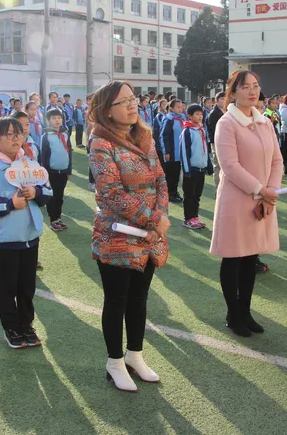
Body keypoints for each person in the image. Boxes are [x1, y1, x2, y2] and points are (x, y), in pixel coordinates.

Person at [88, 80, 169, 392]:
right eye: (123, 102)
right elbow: (110, 192)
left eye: (133, 99)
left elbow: (161, 179)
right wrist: (151, 219)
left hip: (148, 235)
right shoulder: (100, 143)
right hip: (118, 236)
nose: (132, 105)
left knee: (139, 297)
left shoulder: (144, 135)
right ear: (107, 110)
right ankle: (114, 361)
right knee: (117, 298)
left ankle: (135, 355)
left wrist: (159, 217)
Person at [210, 70, 282, 337]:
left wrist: (271, 190)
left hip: (261, 199)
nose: (253, 91)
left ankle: (245, 310)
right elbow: (229, 165)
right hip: (237, 200)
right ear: (233, 91)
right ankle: (233, 313)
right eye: (246, 87)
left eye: (256, 86)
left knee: (251, 256)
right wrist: (260, 189)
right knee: (234, 257)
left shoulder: (265, 122)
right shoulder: (226, 123)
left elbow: (277, 160)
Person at [0, 117, 52, 349]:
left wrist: (35, 192)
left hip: (30, 236)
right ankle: (11, 329)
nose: (16, 137)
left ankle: (27, 325)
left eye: (19, 132)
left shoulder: (29, 162)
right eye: (9, 133)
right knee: (8, 287)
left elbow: (48, 190)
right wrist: (9, 203)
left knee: (27, 286)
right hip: (7, 239)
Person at [180, 104, 213, 229]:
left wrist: (208, 165)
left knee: (197, 195)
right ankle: (188, 219)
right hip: (191, 169)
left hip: (201, 169)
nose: (200, 116)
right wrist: (187, 170)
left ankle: (195, 218)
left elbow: (205, 149)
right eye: (197, 114)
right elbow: (184, 151)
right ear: (189, 116)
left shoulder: (202, 130)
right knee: (189, 195)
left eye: (201, 114)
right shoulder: (187, 131)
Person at [40, 108, 72, 232]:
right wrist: (45, 173)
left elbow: (69, 153)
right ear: (48, 121)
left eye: (59, 118)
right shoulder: (46, 136)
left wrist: (69, 170)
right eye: (53, 118)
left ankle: (58, 218)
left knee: (59, 197)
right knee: (52, 198)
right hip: (51, 173)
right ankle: (53, 220)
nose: (57, 120)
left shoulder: (65, 134)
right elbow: (43, 156)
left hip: (63, 172)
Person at [159, 98, 186, 203]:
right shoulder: (169, 119)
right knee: (171, 174)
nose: (181, 109)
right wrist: (166, 152)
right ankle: (170, 194)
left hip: (181, 151)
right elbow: (164, 136)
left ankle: (174, 192)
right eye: (178, 107)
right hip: (172, 152)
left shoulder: (183, 117)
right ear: (171, 108)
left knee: (177, 173)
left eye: (181, 107)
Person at [206, 92, 226, 190]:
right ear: (216, 101)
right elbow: (213, 132)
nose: (224, 101)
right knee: (218, 166)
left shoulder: (227, 111)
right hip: (217, 143)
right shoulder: (213, 114)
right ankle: (218, 188)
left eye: (225, 98)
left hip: (226, 142)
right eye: (222, 99)